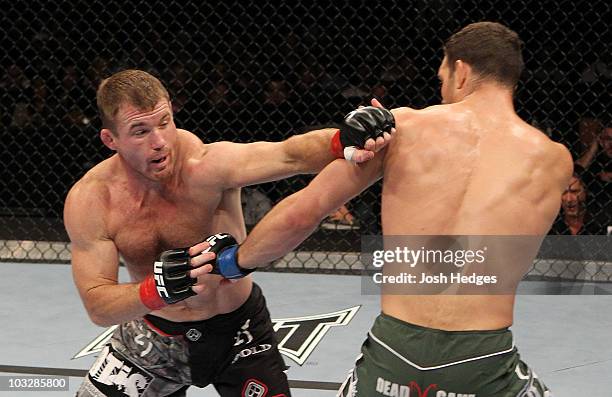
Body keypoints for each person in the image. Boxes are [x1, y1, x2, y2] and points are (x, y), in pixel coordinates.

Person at [191, 22, 573, 395]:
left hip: (393, 353)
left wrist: (233, 263)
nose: (441, 91)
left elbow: (303, 212)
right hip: (484, 359)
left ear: (460, 71)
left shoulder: (403, 127)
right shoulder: (553, 160)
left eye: (442, 78)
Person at [63, 69, 394, 397]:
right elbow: (99, 306)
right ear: (111, 139)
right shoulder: (92, 200)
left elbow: (290, 154)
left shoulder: (205, 166)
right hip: (151, 339)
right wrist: (157, 290)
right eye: (140, 131)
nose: (160, 142)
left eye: (165, 122)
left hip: (239, 333)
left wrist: (343, 138)